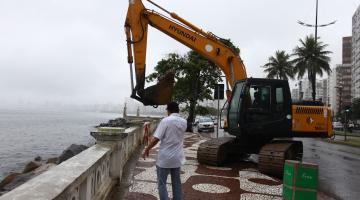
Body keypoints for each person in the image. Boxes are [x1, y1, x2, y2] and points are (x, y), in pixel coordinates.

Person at [142, 101, 187, 200]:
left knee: (162, 184)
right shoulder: (184, 122)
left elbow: (156, 139)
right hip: (177, 158)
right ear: (178, 110)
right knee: (177, 183)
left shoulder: (166, 121)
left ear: (169, 110)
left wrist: (147, 149)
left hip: (165, 158)